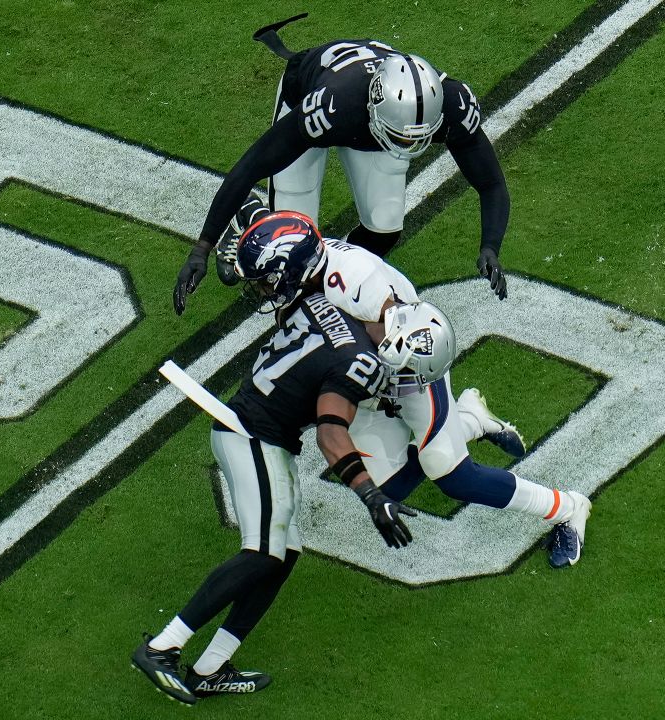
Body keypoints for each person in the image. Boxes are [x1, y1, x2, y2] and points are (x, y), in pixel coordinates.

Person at [132, 243, 449, 704]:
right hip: (252, 436)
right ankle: (163, 647)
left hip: (256, 426)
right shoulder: (358, 361)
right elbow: (331, 435)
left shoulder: (325, 303)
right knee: (263, 553)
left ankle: (211, 666)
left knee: (285, 554)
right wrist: (371, 495)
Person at [228, 207, 591, 569]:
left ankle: (567, 508)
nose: (264, 289)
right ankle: (469, 420)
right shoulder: (310, 266)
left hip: (408, 368)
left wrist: (352, 377)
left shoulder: (359, 285)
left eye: (267, 280)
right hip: (367, 373)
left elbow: (402, 339)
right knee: (392, 488)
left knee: (453, 475)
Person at [173, 13, 511, 317]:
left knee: (384, 226)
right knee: (290, 245)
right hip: (313, 93)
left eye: (416, 139)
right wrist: (202, 247)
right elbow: (251, 165)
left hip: (371, 121)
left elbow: (491, 183)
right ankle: (249, 214)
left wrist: (490, 246)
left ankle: (334, 284)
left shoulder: (447, 106)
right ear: (378, 109)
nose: (408, 146)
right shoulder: (332, 108)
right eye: (402, 137)